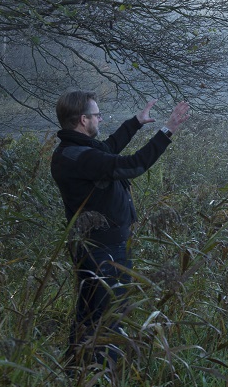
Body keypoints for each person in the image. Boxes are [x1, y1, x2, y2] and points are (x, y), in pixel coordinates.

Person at [50, 90, 189, 367]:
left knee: (89, 313)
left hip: (94, 246)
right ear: (83, 119)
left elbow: (109, 149)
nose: (100, 119)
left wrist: (136, 121)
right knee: (110, 317)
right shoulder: (81, 156)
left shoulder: (75, 150)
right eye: (97, 115)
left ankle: (75, 372)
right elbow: (133, 165)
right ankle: (103, 381)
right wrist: (167, 130)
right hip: (104, 249)